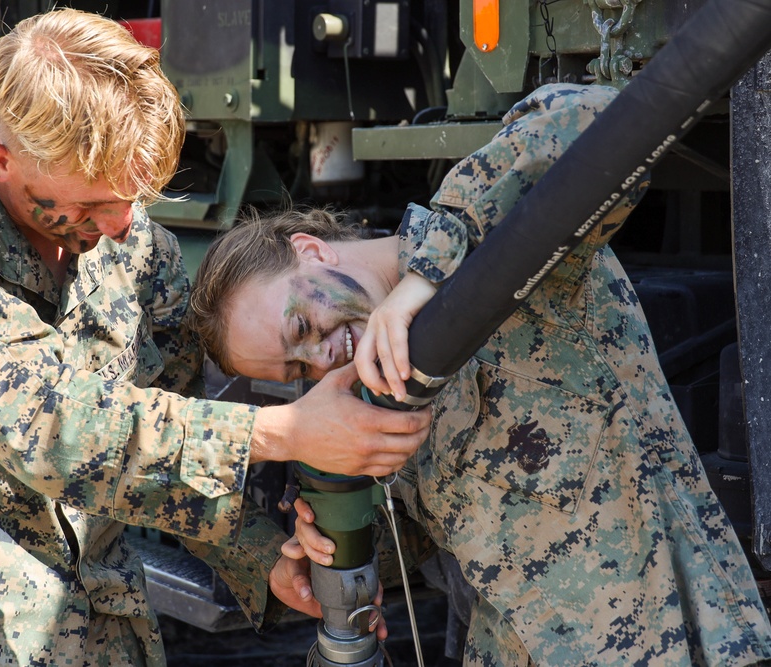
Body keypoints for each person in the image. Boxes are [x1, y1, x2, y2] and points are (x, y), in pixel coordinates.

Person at [0, 9, 431, 665]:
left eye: (134, 196)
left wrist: (264, 557)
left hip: (113, 633)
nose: (123, 226)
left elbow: (172, 425)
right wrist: (286, 431)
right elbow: (50, 430)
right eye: (93, 205)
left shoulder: (136, 245)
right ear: (1, 162)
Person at [187, 83, 771, 666]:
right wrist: (329, 546)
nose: (320, 359)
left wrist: (425, 277)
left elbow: (600, 116)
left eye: (301, 328)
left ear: (312, 251)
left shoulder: (497, 259)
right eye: (295, 368)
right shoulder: (374, 392)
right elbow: (450, 529)